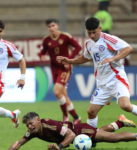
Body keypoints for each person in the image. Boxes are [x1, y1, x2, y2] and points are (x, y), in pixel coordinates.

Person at [56, 17, 137, 130]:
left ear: (100, 28)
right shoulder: (88, 43)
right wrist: (70, 61)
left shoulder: (108, 39)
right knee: (91, 111)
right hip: (102, 84)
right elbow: (86, 57)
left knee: (125, 106)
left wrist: (112, 58)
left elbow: (128, 49)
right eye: (89, 33)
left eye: (94, 32)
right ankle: (91, 137)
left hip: (116, 79)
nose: (92, 35)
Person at [8, 112, 137, 150]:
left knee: (113, 138)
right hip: (76, 134)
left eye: (30, 124)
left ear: (38, 121)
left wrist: (58, 147)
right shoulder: (34, 132)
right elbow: (19, 142)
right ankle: (121, 121)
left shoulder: (50, 125)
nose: (29, 127)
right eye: (27, 125)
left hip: (80, 131)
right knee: (100, 133)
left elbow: (71, 134)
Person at [38, 19, 82, 124]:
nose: (51, 28)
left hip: (65, 68)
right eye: (49, 26)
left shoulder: (65, 36)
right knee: (64, 95)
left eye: (53, 25)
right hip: (54, 69)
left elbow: (78, 47)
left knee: (57, 92)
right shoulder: (46, 39)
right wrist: (42, 56)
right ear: (47, 28)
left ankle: (65, 116)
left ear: (57, 26)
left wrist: (69, 60)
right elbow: (42, 52)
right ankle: (76, 118)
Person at [0, 19, 26, 127]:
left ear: (3, 32)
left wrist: (22, 78)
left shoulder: (7, 46)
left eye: (0, 31)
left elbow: (21, 60)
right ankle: (13, 115)